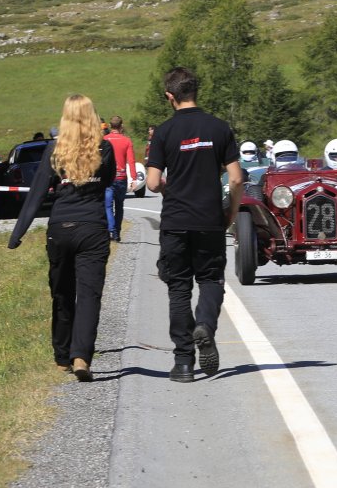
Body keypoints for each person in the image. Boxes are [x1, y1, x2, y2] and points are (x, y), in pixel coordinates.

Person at [146, 67, 244, 383]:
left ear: (170, 96)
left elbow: (152, 182)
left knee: (178, 288)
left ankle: (184, 363)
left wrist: (168, 187)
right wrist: (231, 212)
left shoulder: (163, 132)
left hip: (175, 220)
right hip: (209, 219)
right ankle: (205, 325)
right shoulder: (219, 127)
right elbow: (236, 178)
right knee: (211, 279)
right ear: (195, 92)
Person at [9, 95, 116, 382]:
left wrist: (17, 234)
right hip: (92, 227)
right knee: (89, 295)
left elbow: (37, 194)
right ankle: (81, 356)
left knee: (62, 292)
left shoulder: (54, 150)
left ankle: (61, 356)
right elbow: (108, 181)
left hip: (60, 229)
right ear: (92, 116)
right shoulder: (104, 148)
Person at [103, 114, 138, 242]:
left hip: (108, 178)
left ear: (110, 125)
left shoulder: (105, 139)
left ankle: (111, 231)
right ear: (121, 126)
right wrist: (134, 178)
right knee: (119, 206)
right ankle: (117, 232)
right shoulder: (127, 141)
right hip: (121, 178)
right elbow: (131, 161)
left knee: (108, 206)